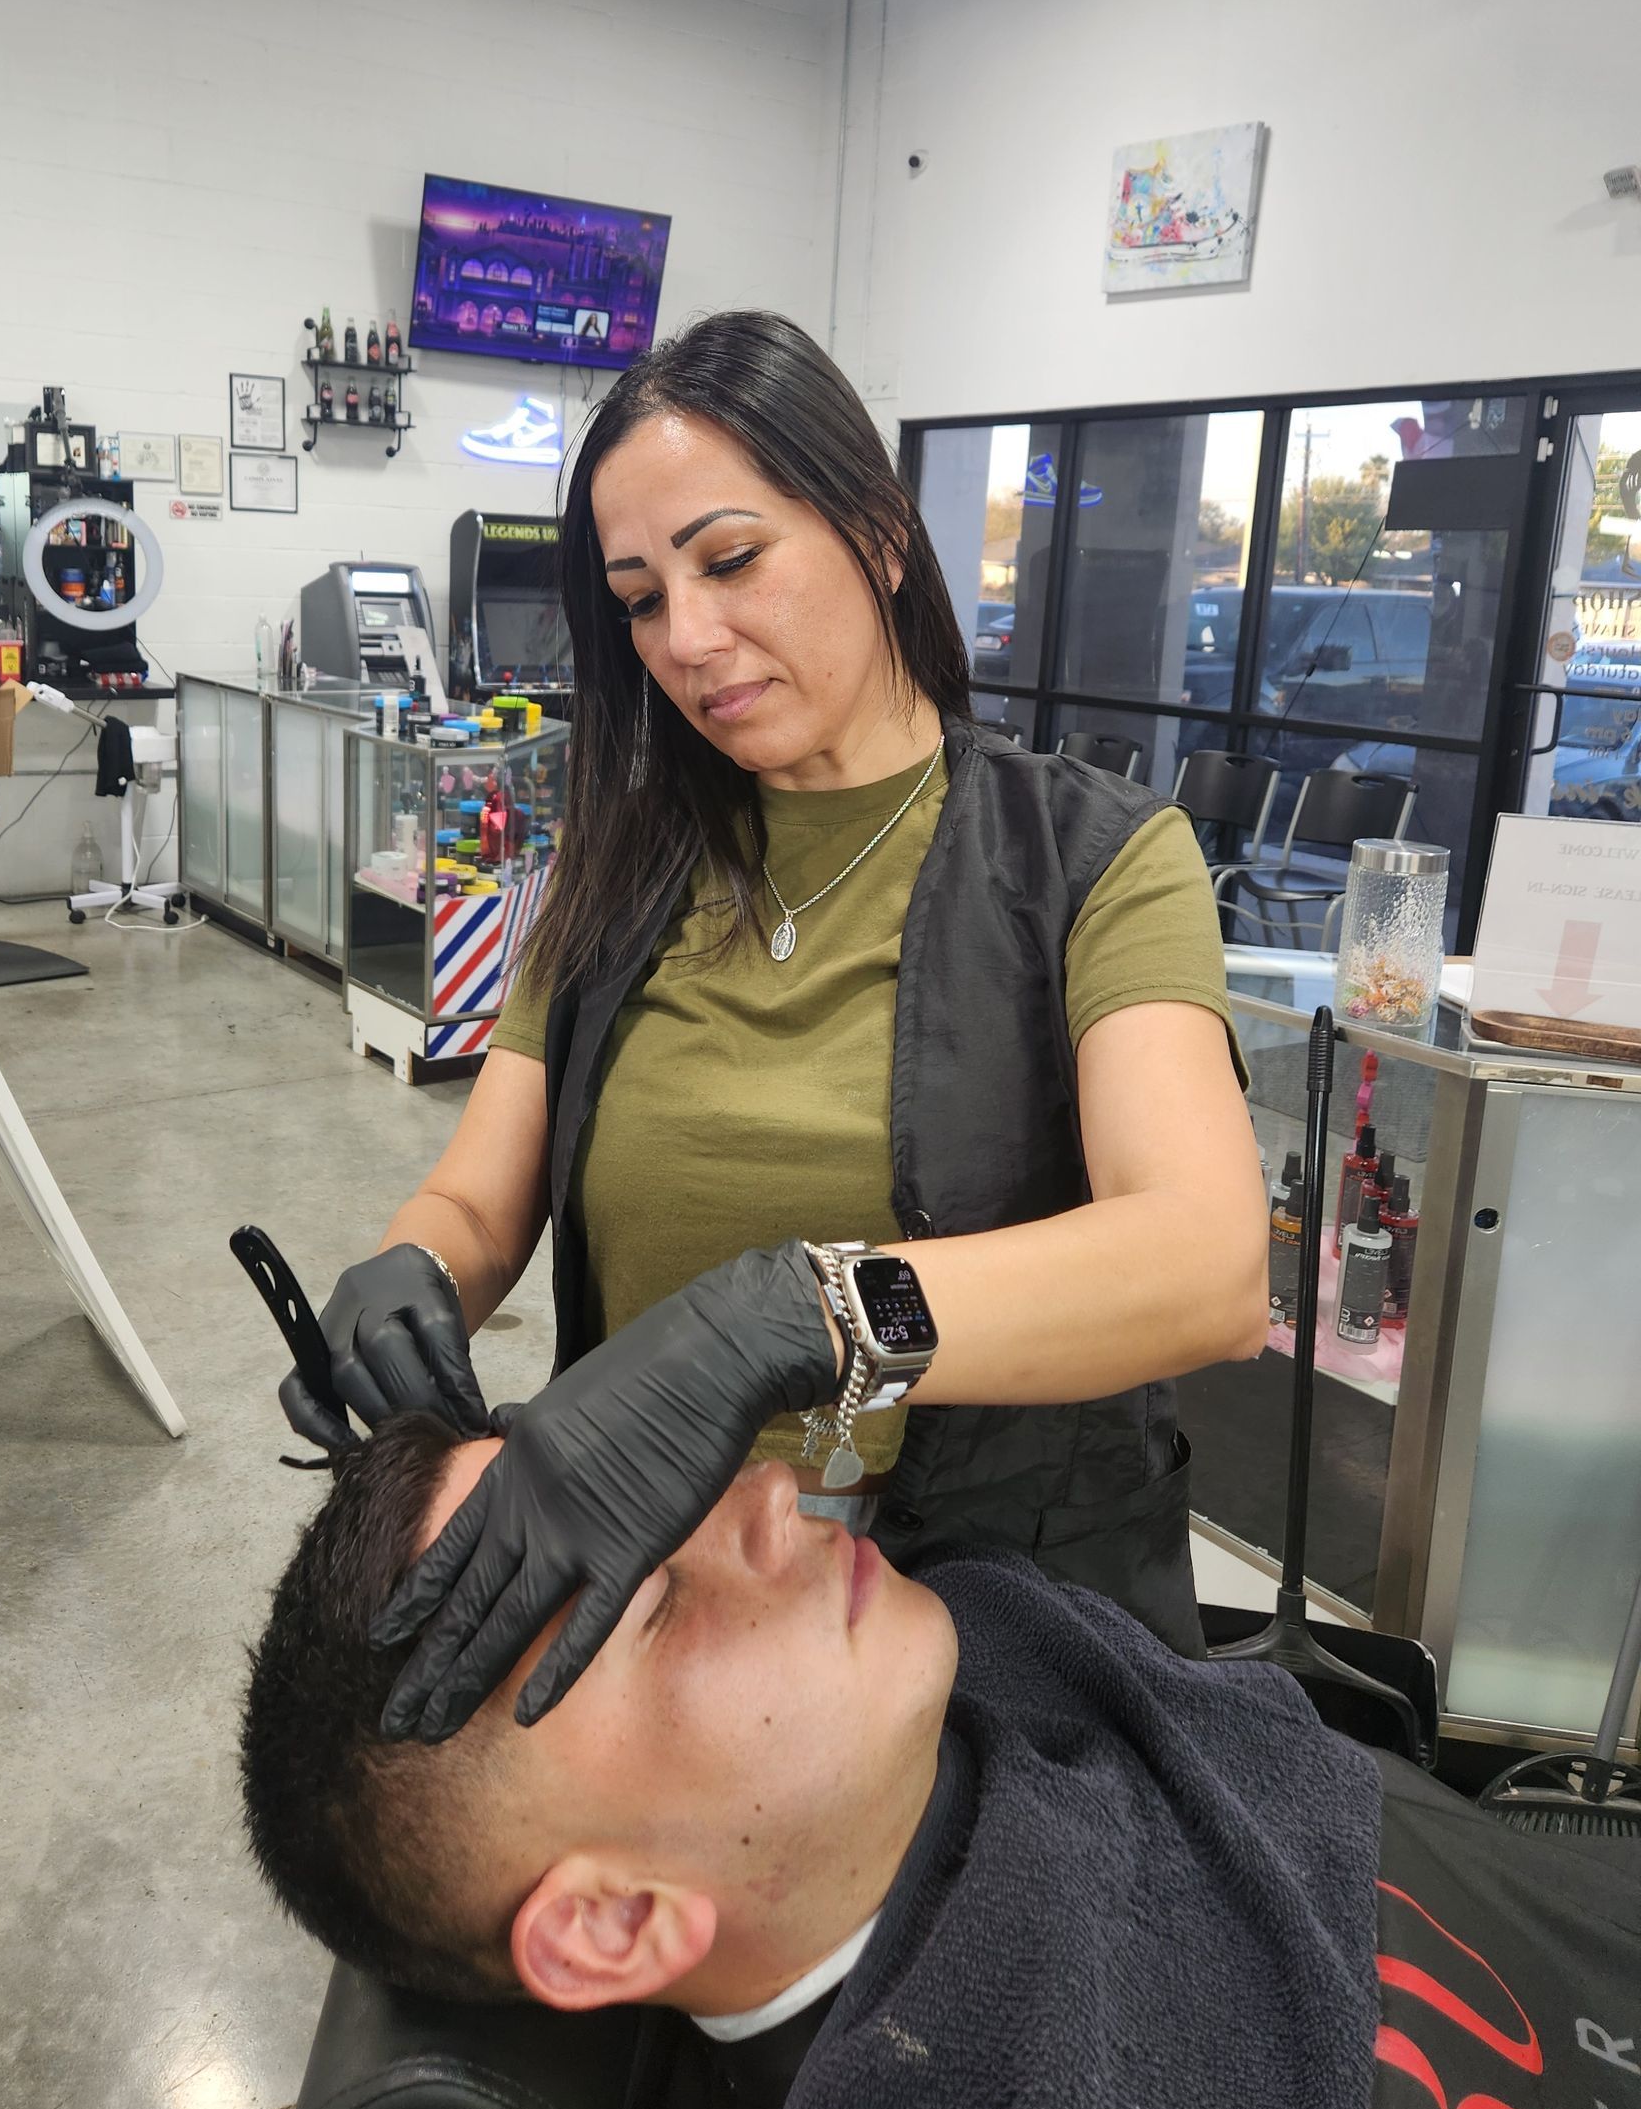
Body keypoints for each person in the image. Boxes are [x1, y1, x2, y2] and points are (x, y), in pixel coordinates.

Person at [281, 309, 1268, 1744]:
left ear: (874, 532)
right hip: (660, 1616)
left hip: (978, 1636)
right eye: (636, 597)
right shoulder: (621, 871)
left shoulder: (1091, 861)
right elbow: (476, 1194)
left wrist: (805, 1316)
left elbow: (1204, 1264)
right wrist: (411, 1270)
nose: (687, 638)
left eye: (732, 561)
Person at [243, 1417, 1641, 2109]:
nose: (773, 1504)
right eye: (655, 1605)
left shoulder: (1007, 1645)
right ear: (612, 1923)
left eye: (656, 1489)